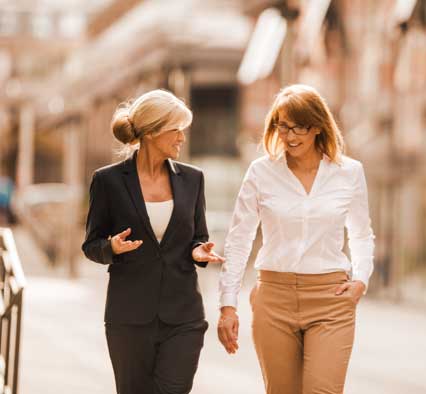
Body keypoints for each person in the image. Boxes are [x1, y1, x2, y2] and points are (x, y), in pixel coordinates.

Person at [218, 84, 375, 394]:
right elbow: (239, 239)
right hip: (274, 297)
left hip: (330, 298)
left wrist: (360, 280)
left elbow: (361, 232)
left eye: (297, 127)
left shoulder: (349, 172)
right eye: (282, 126)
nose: (288, 136)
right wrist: (228, 305)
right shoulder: (261, 172)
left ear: (317, 126)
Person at [82, 89, 224, 394]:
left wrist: (200, 251)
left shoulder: (193, 179)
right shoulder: (107, 181)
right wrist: (112, 248)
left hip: (184, 316)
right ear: (151, 132)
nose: (181, 139)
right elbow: (91, 245)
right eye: (176, 130)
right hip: (128, 317)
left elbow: (198, 236)